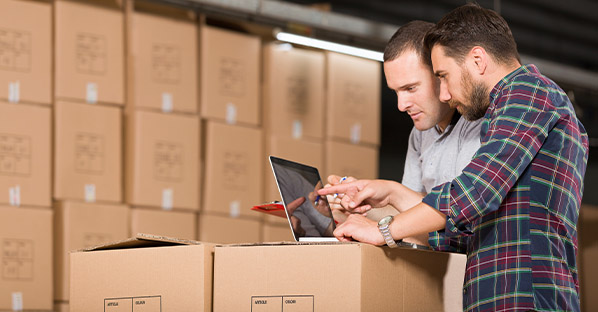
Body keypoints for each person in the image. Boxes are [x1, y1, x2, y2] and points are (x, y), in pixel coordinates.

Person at [319, 3, 589, 312]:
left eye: (444, 76)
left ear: (477, 59)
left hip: (526, 298)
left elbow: (473, 192)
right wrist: (386, 201)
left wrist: (382, 230)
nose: (444, 93)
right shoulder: (505, 112)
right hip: (496, 296)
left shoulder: (530, 94)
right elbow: (462, 234)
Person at [328, 20, 482, 250]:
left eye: (411, 88)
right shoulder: (420, 134)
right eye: (396, 92)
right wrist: (361, 205)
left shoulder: (478, 125)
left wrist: (392, 192)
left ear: (442, 74)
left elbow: (459, 213)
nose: (401, 105)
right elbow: (410, 220)